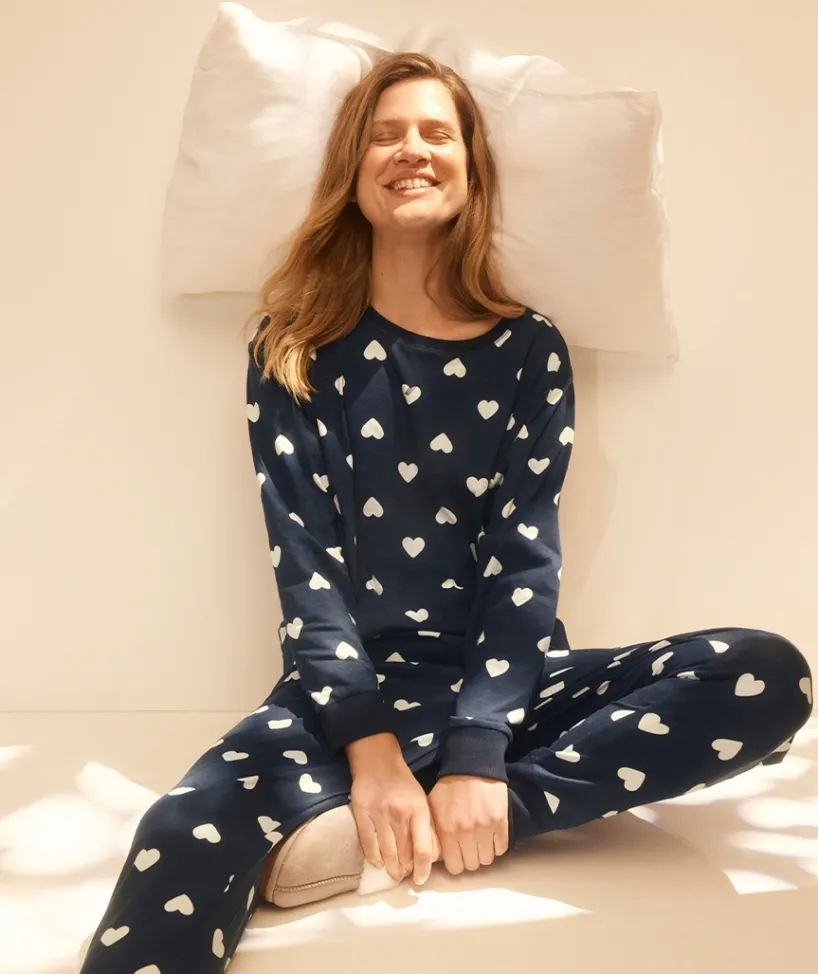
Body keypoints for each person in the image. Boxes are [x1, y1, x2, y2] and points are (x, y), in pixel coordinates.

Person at [79, 51, 813, 973]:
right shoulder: (293, 347)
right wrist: (372, 753)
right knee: (178, 831)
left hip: (509, 688)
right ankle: (394, 806)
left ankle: (467, 816)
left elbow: (523, 558)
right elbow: (305, 568)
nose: (411, 150)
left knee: (764, 673)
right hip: (345, 699)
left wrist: (476, 753)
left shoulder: (529, 350)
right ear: (353, 171)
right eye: (384, 135)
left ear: (472, 171)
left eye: (437, 133)